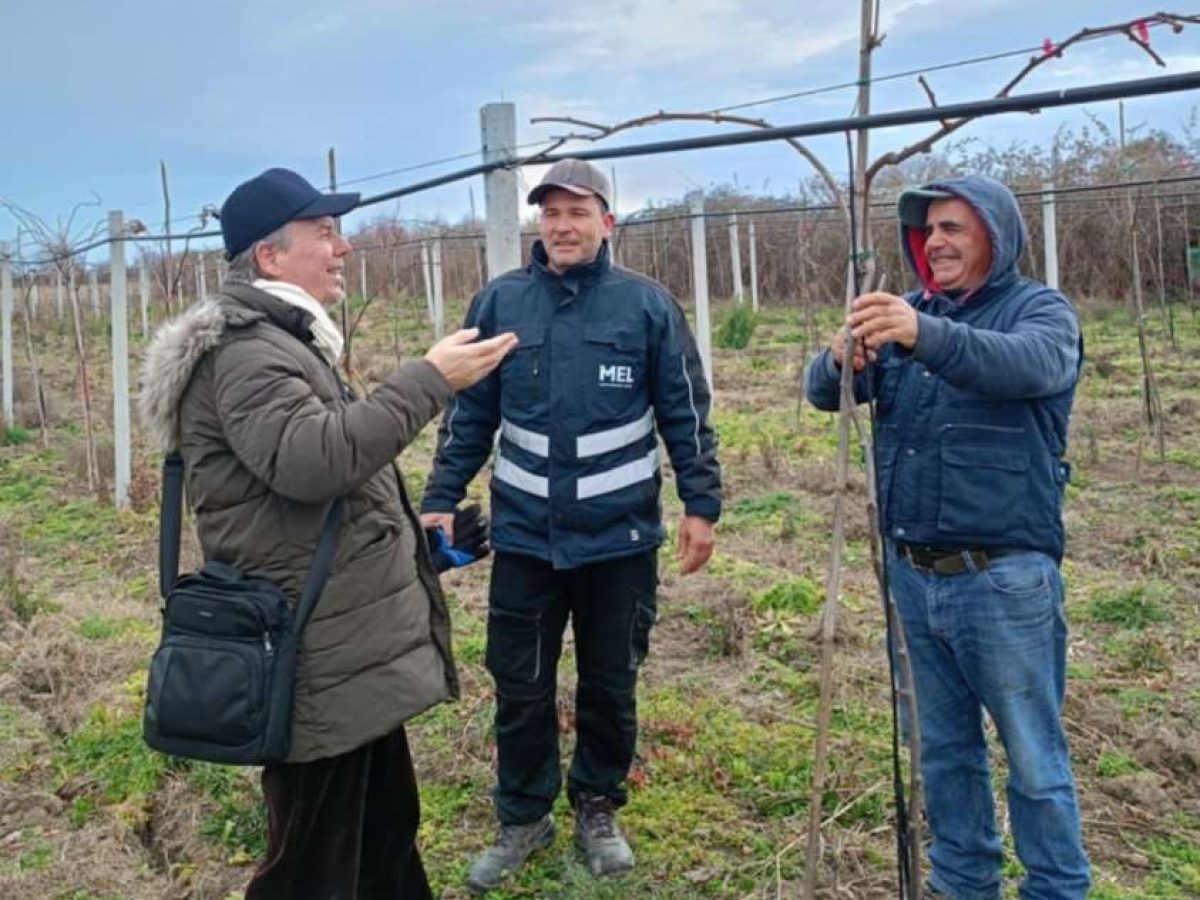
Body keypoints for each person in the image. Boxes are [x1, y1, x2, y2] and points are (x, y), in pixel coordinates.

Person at [139, 167, 516, 899]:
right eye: (325, 234)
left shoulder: (287, 342)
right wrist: (429, 379)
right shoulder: (247, 353)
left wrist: (420, 555)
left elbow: (316, 509)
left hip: (344, 642)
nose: (343, 248)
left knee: (382, 834)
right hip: (311, 653)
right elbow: (314, 462)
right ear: (271, 257)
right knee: (316, 861)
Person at [420, 158, 722, 893]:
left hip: (620, 540)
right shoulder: (499, 305)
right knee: (519, 683)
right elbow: (471, 416)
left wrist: (701, 504)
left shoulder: (647, 307)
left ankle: (597, 806)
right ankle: (523, 816)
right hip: (525, 535)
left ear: (606, 222)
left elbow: (685, 410)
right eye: (550, 213)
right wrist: (440, 493)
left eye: (577, 212)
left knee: (610, 681)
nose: (561, 225)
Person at [805, 174, 1090, 899]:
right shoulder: (910, 311)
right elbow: (819, 393)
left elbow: (1028, 366)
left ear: (997, 234)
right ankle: (964, 883)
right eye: (928, 231)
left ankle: (1056, 887)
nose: (936, 243)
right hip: (914, 574)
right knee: (941, 751)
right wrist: (842, 359)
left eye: (954, 229)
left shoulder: (1039, 312)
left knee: (1032, 755)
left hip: (1001, 579)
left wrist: (919, 332)